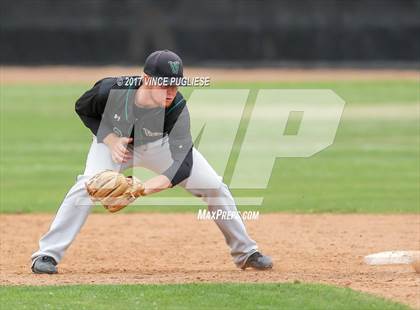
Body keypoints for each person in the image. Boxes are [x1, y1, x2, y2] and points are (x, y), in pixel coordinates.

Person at [31, 50, 273, 274]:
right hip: (115, 144)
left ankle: (246, 252)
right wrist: (110, 139)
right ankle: (46, 255)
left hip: (160, 145)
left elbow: (183, 161)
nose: (171, 91)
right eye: (164, 84)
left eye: (175, 85)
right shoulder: (110, 89)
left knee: (214, 186)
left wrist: (145, 187)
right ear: (147, 79)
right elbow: (83, 108)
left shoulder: (177, 107)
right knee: (87, 186)